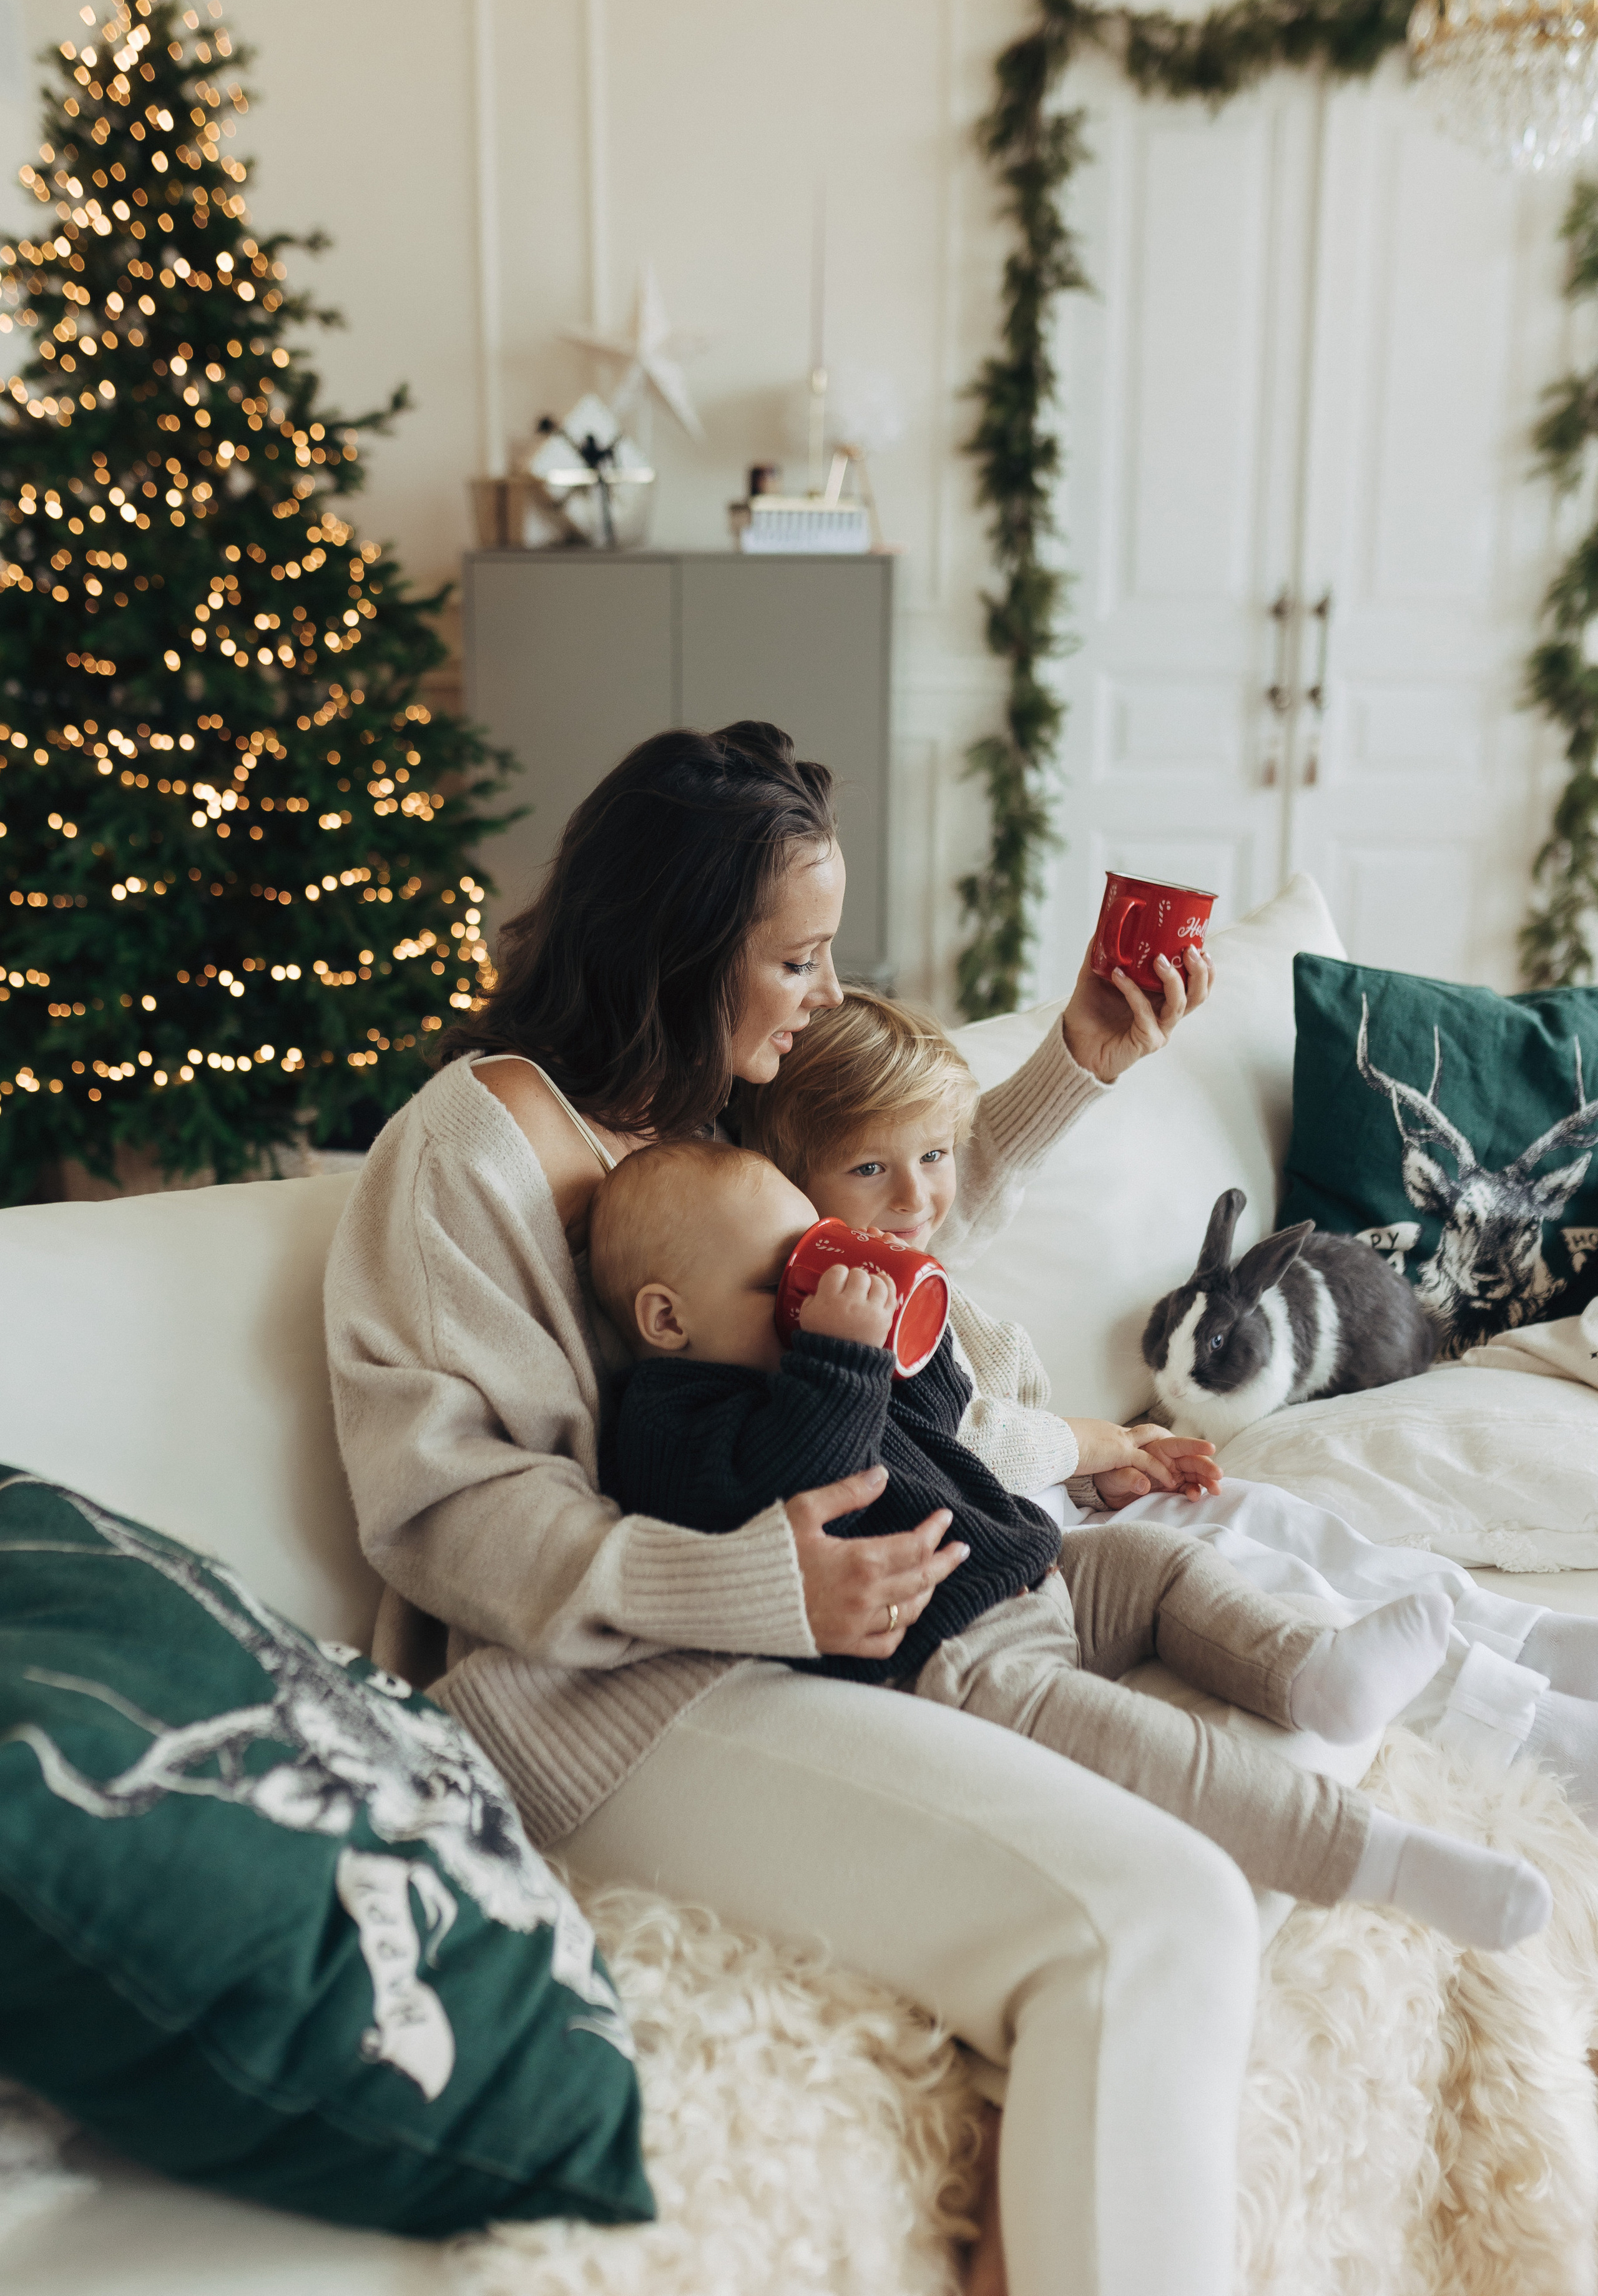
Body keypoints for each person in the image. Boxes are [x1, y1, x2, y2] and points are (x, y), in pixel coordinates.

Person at [325, 719, 1259, 2296]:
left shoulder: (702, 1125)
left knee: (1222, 1818)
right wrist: (756, 1589)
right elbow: (449, 1516)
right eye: (800, 960)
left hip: (820, 1659)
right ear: (685, 951)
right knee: (1155, 1919)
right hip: (599, 1705)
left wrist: (1078, 1062)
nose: (826, 993)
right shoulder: (464, 1152)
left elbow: (893, 1236)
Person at [584, 1136, 1549, 1949]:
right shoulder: (671, 1422)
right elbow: (792, 1477)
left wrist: (900, 1344)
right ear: (667, 1317)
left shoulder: (794, 1361)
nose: (809, 1294)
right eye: (776, 1281)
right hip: (949, 1658)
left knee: (1166, 1564)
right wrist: (840, 1354)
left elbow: (944, 1425)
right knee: (1150, 1751)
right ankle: (1378, 1856)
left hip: (1030, 1569)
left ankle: (1314, 1671)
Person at [734, 984, 1598, 1823]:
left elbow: (1002, 1438)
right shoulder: (836, 1320)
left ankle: (1528, 1639)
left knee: (1278, 1516)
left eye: (934, 1158)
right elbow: (966, 1442)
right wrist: (1099, 1446)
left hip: (1049, 1502)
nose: (917, 1199)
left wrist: (1098, 1475)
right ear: (795, 1187)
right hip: (1013, 1553)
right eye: (870, 1168)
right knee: (1265, 1572)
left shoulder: (900, 1260)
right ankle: (1526, 1723)